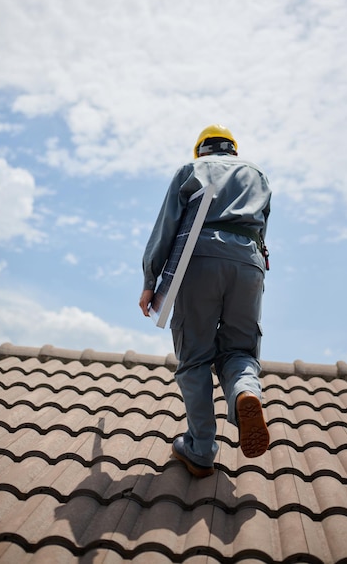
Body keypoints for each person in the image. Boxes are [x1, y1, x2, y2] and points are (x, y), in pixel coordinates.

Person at [139, 124, 271, 478]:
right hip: (249, 264)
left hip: (199, 261)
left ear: (202, 150)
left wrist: (150, 280)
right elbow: (263, 230)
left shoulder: (191, 170)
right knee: (240, 350)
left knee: (194, 356)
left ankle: (199, 450)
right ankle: (245, 392)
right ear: (232, 149)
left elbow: (167, 226)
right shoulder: (257, 174)